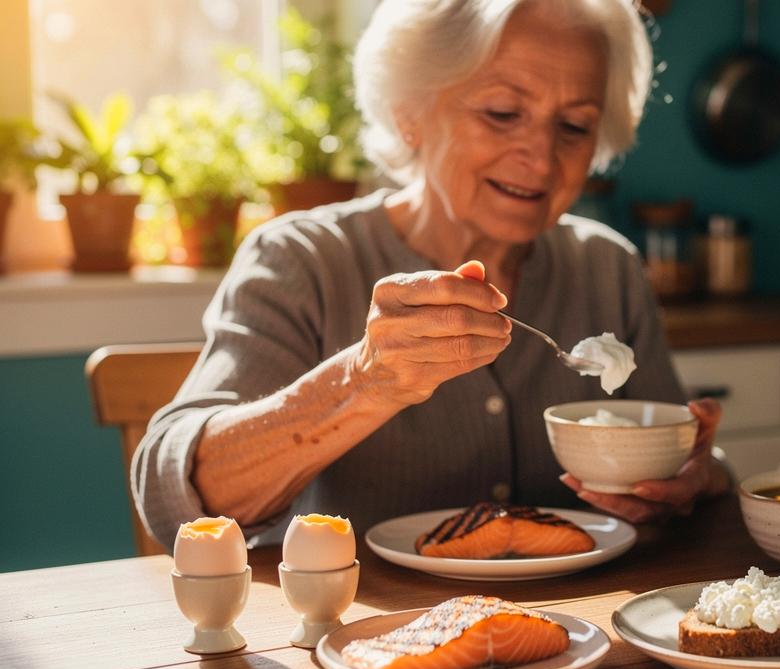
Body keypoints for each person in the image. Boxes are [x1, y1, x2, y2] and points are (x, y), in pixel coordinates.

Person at [133, 0, 730, 549]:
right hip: (363, 642)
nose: (543, 158)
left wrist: (696, 478)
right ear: (409, 114)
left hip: (580, 633)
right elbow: (175, 499)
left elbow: (684, 464)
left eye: (573, 126)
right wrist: (363, 381)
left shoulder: (608, 268)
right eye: (502, 113)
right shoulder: (301, 260)